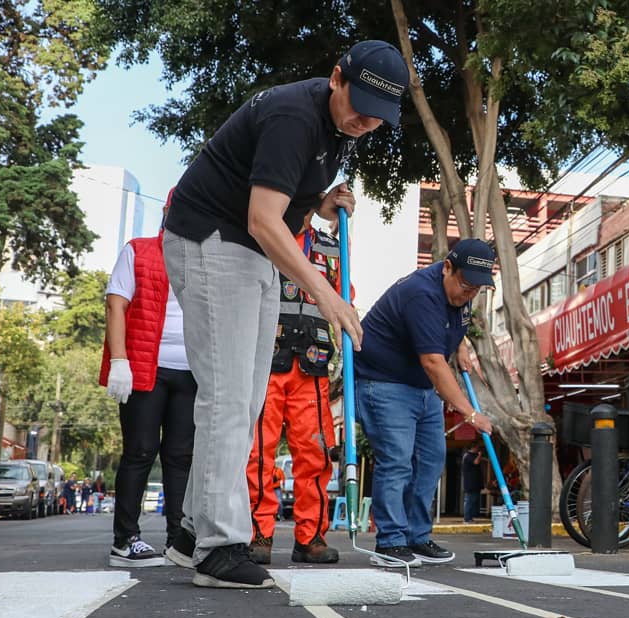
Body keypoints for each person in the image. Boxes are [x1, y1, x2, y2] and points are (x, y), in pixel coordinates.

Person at [161, 40, 409, 589]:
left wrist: (318, 204)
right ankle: (218, 546)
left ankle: (189, 531)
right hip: (214, 238)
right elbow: (263, 218)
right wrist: (327, 294)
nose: (367, 121)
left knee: (244, 401)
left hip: (249, 250)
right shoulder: (295, 115)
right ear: (336, 77)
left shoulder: (338, 129)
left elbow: (283, 195)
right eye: (360, 104)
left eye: (379, 116)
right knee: (228, 397)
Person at [354, 238, 496, 567]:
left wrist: (460, 345)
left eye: (477, 289)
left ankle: (417, 536)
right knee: (397, 461)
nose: (469, 294)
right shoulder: (422, 294)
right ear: (447, 267)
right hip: (384, 382)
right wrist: (470, 413)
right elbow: (433, 363)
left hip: (420, 387)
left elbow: (455, 324)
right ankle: (389, 542)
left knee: (431, 461)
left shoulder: (463, 292)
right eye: (466, 285)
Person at [101, 189, 196, 566]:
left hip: (191, 371)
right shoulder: (138, 250)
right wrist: (119, 361)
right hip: (145, 369)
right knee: (140, 452)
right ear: (167, 211)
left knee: (181, 457)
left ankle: (178, 539)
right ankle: (125, 541)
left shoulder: (201, 261)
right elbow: (115, 303)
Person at [245, 216, 344, 565]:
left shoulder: (331, 246)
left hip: (313, 365)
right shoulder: (262, 233)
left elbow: (343, 297)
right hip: (265, 362)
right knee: (258, 454)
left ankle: (311, 537)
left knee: (315, 455)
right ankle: (259, 533)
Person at [461, 440, 484, 523]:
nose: (478, 449)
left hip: (475, 483)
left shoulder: (472, 455)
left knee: (473, 500)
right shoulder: (468, 456)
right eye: (477, 448)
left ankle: (470, 517)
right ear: (474, 447)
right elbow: (476, 462)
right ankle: (467, 518)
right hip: (470, 483)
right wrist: (480, 455)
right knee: (469, 500)